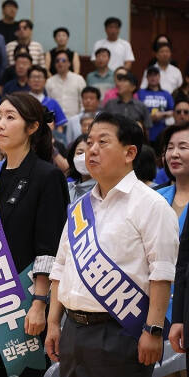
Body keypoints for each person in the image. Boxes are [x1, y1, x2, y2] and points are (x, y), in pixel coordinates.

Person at [46, 112, 178, 377]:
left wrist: (153, 330)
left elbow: (161, 274)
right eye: (89, 141)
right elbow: (61, 266)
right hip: (72, 329)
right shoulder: (79, 208)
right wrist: (53, 323)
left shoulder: (152, 205)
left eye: (102, 142)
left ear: (129, 153)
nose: (91, 150)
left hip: (121, 331)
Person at [0, 92, 68, 377]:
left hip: (21, 305)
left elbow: (50, 249)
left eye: (10, 117)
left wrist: (40, 304)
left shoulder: (48, 176)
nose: (0, 125)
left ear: (32, 127)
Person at [166, 125, 189, 370]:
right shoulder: (153, 198)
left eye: (183, 147)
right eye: (170, 148)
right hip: (154, 307)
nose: (174, 153)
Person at [137, 66, 175, 143]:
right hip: (145, 132)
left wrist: (162, 114)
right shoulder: (140, 93)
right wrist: (149, 117)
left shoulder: (166, 94)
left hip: (163, 131)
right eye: (150, 75)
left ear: (159, 77)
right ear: (147, 78)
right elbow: (136, 111)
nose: (153, 77)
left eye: (155, 75)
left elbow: (174, 111)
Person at [46, 50, 86, 118]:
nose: (60, 63)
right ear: (55, 64)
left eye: (63, 60)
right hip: (56, 122)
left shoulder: (79, 79)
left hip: (75, 120)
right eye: (57, 61)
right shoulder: (49, 81)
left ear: (69, 63)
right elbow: (48, 104)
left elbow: (83, 102)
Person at [66, 134, 95, 202]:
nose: (84, 158)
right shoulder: (67, 188)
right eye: (80, 153)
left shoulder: (104, 191)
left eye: (91, 153)